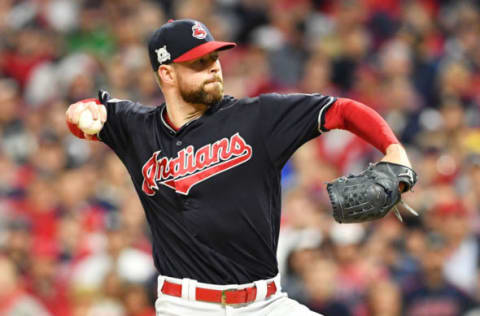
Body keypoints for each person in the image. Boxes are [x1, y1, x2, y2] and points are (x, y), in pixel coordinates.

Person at [65, 19, 413, 316]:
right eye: (198, 62)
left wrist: (394, 150)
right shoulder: (136, 128)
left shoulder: (257, 118)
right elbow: (86, 115)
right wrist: (81, 112)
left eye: (213, 57)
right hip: (187, 306)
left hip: (267, 302)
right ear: (167, 73)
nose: (213, 66)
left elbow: (341, 110)